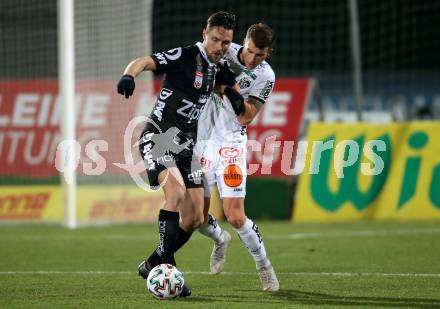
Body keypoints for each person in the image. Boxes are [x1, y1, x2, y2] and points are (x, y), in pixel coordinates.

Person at [116, 11, 236, 297]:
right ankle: (167, 266)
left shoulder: (216, 68)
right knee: (176, 193)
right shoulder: (186, 55)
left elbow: (231, 84)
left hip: (187, 147)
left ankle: (153, 263)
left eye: (226, 42)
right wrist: (128, 75)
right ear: (204, 34)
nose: (219, 46)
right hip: (158, 137)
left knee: (196, 217)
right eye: (215, 39)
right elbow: (145, 61)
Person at [175, 23, 280, 291]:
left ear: (268, 53)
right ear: (243, 42)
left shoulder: (265, 76)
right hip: (201, 143)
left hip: (230, 145)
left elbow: (246, 115)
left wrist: (227, 88)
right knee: (196, 217)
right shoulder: (222, 51)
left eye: (260, 55)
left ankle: (263, 266)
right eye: (250, 51)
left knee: (235, 216)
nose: (252, 58)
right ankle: (220, 239)